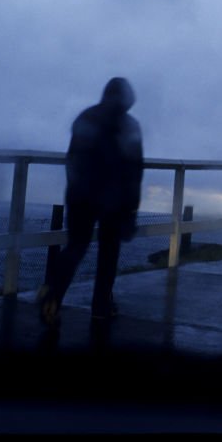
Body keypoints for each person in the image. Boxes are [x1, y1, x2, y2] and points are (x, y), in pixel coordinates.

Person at [38, 77, 144, 326]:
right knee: (109, 252)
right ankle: (100, 306)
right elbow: (134, 171)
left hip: (80, 196)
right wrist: (131, 210)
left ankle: (52, 292)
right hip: (114, 201)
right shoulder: (129, 125)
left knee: (76, 246)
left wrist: (75, 190)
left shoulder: (85, 117)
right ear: (128, 100)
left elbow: (72, 159)